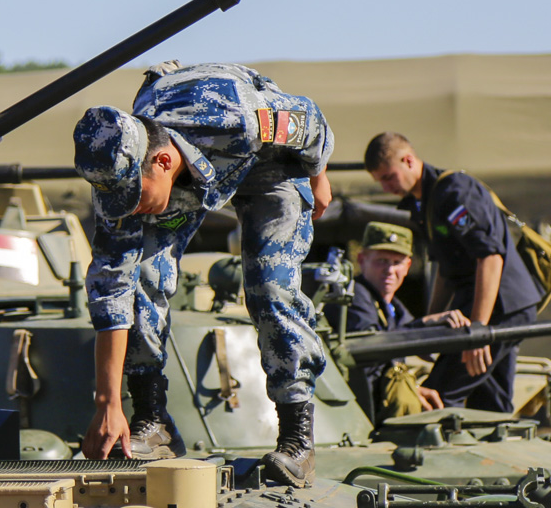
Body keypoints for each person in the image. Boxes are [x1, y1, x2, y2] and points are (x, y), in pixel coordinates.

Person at [73, 62, 333, 488]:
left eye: (135, 196)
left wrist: (318, 174)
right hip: (188, 176)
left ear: (161, 161)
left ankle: (297, 440)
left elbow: (311, 122)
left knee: (270, 284)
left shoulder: (236, 118)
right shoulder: (117, 173)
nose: (129, 206)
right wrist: (108, 402)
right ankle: (152, 422)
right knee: (141, 277)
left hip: (268, 162)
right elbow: (110, 286)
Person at [364, 132, 544, 414]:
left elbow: (490, 257)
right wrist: (431, 329)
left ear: (408, 160)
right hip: (488, 310)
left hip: (500, 308)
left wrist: (478, 330)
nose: (387, 188)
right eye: (380, 181)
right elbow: (445, 273)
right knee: (490, 405)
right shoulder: (425, 203)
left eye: (389, 177)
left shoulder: (454, 192)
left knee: (436, 397)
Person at [325, 221, 468, 420]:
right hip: (363, 410)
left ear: (408, 266)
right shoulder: (355, 296)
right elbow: (374, 347)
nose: (390, 270)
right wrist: (423, 324)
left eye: (396, 262)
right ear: (361, 260)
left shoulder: (393, 308)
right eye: (381, 261)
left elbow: (402, 336)